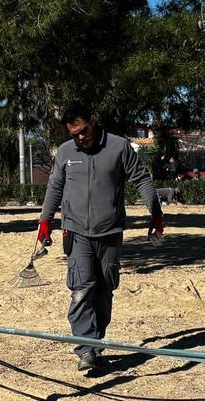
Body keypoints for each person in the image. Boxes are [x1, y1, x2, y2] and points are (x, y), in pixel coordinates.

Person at [38, 103, 163, 372]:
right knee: (81, 289)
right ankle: (86, 349)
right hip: (76, 231)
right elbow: (55, 186)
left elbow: (141, 179)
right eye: (74, 134)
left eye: (83, 131)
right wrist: (45, 221)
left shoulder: (119, 147)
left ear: (93, 122)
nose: (80, 137)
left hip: (110, 232)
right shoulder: (66, 152)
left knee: (104, 290)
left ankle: (95, 343)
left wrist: (155, 214)